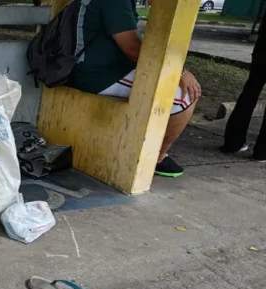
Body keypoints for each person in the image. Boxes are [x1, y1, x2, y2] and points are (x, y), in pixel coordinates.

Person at [67, 0, 202, 178]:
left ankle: (145, 148)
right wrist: (179, 71)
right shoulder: (116, 2)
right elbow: (133, 50)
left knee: (175, 87)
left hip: (91, 68)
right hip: (98, 75)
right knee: (186, 96)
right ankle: (157, 158)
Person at [220, 11, 266, 161]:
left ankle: (233, 142)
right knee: (249, 93)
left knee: (249, 94)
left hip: (263, 51)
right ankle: (262, 152)